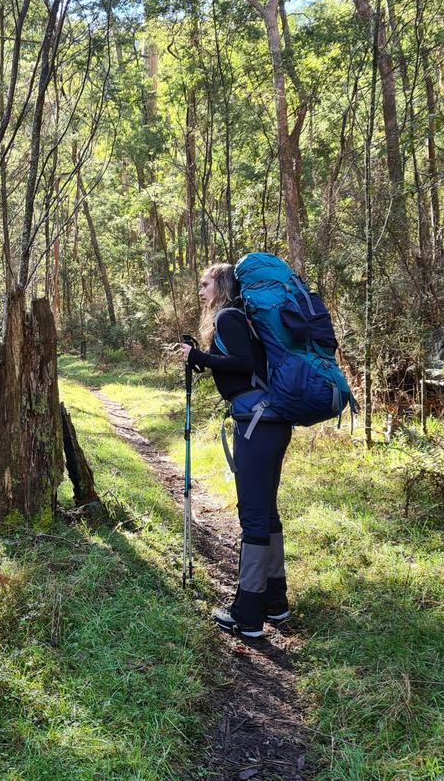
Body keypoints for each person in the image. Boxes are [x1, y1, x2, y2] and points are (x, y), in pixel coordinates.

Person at [177, 262, 293, 638]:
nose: (201, 291)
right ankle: (275, 603)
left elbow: (242, 363)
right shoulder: (246, 320)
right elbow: (243, 365)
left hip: (257, 425)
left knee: (254, 518)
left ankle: (248, 615)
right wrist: (203, 359)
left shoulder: (228, 317)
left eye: (205, 284)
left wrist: (198, 358)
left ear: (223, 285)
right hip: (271, 422)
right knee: (266, 514)